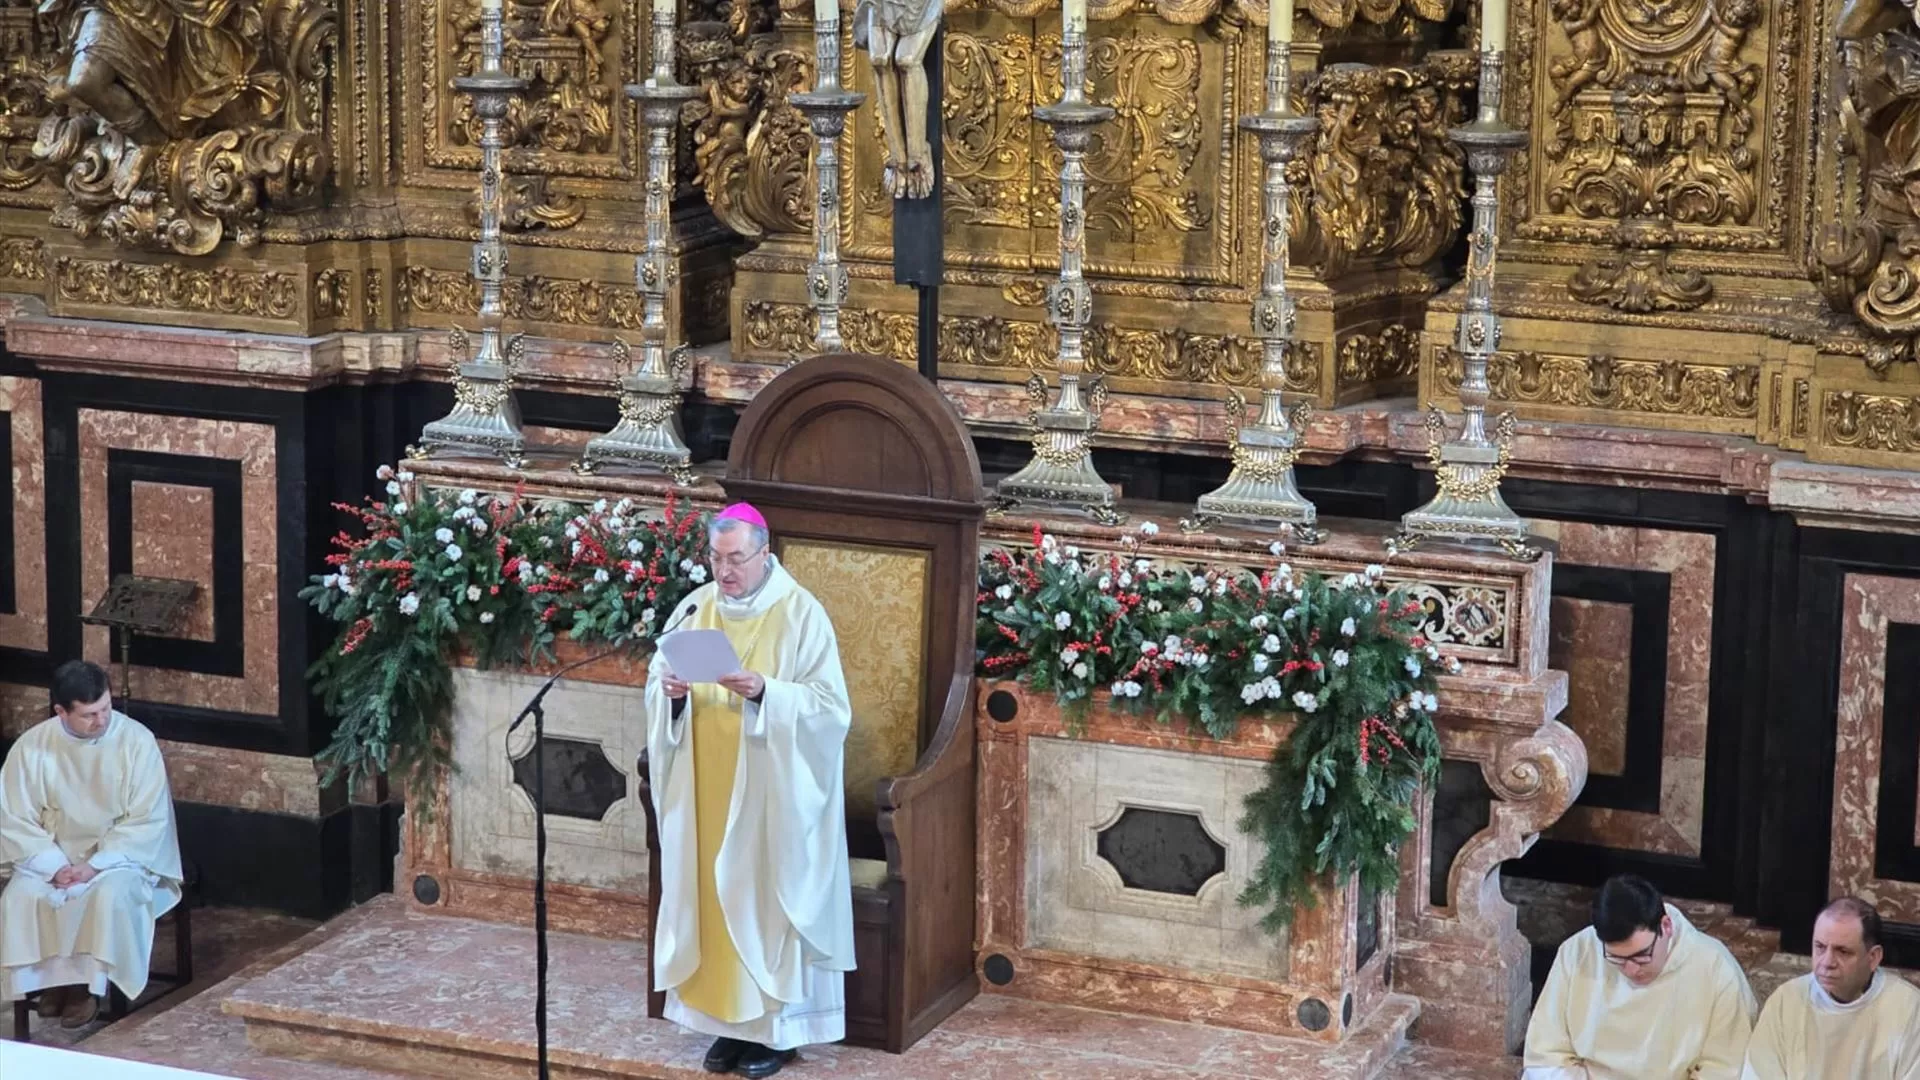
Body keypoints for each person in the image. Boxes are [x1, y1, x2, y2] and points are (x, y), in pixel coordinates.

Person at [645, 504, 855, 1078]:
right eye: (716, 558)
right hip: (705, 787)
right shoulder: (695, 609)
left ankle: (777, 1033)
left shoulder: (802, 613)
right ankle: (728, 1026)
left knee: (761, 901)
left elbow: (832, 711)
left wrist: (766, 691)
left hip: (772, 792)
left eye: (736, 558)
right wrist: (671, 696)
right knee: (713, 901)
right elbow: (658, 687)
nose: (725, 571)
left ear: (765, 554)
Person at [0, 660, 182, 1029]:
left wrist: (95, 865)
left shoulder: (136, 742)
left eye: (105, 708)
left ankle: (87, 987)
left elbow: (146, 819)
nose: (101, 721)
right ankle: (52, 983)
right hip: (53, 858)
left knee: (108, 896)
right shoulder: (32, 747)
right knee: (21, 897)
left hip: (118, 859)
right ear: (61, 712)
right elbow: (15, 817)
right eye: (88, 715)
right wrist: (55, 867)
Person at [1524, 874, 1756, 1079]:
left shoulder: (1716, 969)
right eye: (1617, 959)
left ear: (1666, 926)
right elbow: (1547, 1056)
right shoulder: (1578, 952)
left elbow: (1723, 1070)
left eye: (1641, 955)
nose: (1631, 970)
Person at [1742, 897, 1920, 1078]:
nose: (1827, 962)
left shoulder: (1908, 1010)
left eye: (1843, 952)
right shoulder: (1786, 1001)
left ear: (1873, 957)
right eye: (1820, 947)